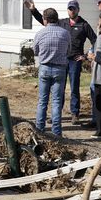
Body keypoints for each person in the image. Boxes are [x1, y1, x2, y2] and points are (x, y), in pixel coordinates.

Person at [25, 0, 96, 125]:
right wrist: (33, 10)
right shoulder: (62, 22)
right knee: (59, 89)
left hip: (75, 59)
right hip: (62, 60)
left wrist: (86, 56)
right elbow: (45, 22)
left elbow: (95, 40)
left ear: (78, 10)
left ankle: (75, 113)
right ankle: (57, 115)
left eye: (73, 9)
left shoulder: (84, 25)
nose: (71, 11)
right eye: (69, 8)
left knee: (74, 87)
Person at [33, 8, 71, 136]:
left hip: (44, 67)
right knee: (56, 101)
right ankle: (56, 132)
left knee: (42, 101)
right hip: (60, 68)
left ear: (45, 19)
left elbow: (35, 51)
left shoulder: (40, 33)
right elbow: (68, 51)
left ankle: (39, 130)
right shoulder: (65, 33)